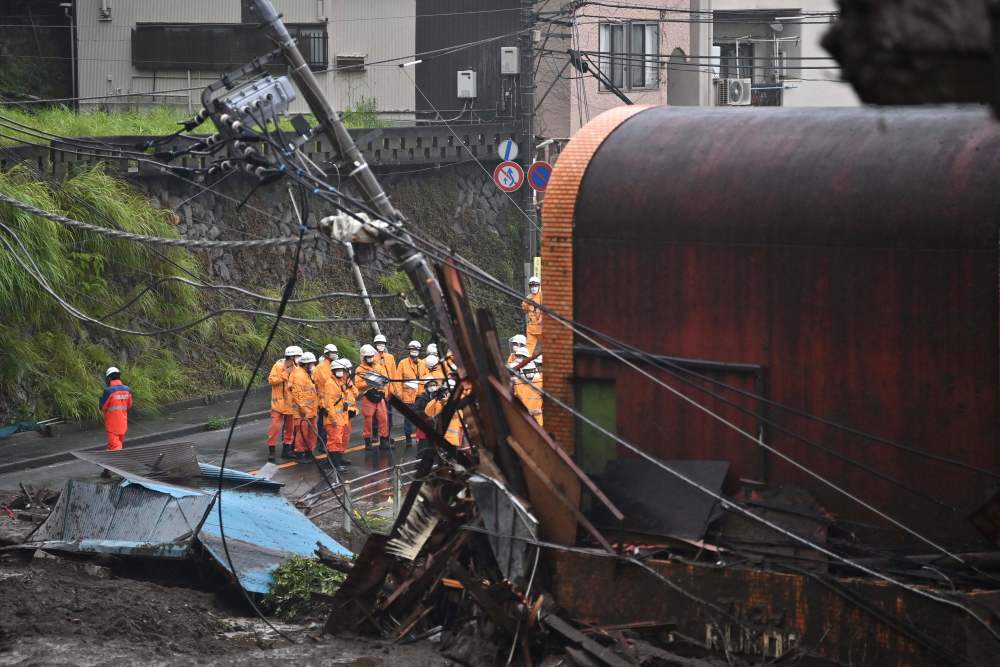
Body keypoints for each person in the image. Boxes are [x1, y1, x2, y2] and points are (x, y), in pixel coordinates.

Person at [266, 346, 300, 462]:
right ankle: (271, 452)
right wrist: (285, 373)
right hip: (278, 405)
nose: (298, 359)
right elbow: (271, 380)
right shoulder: (278, 366)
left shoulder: (297, 369)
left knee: (290, 428)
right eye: (297, 356)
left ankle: (286, 450)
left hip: (291, 405)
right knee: (274, 428)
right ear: (291, 357)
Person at [356, 343, 390, 450]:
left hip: (379, 396)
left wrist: (383, 391)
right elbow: (358, 384)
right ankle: (368, 441)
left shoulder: (378, 366)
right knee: (368, 419)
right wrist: (369, 383)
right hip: (368, 396)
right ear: (363, 357)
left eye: (371, 356)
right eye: (368, 357)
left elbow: (385, 380)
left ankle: (384, 440)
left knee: (383, 418)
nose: (370, 359)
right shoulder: (360, 369)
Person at [322, 359, 351, 472]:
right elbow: (329, 404)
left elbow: (345, 399)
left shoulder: (340, 383)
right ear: (333, 371)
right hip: (334, 420)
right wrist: (333, 418)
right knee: (335, 441)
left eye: (341, 370)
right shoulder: (330, 383)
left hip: (341, 418)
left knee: (339, 440)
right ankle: (335, 465)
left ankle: (336, 461)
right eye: (337, 370)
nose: (340, 372)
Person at [289, 351, 319, 459]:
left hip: (311, 410)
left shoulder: (307, 374)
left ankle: (309, 451)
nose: (312, 365)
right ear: (305, 364)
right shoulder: (298, 375)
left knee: (312, 432)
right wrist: (302, 409)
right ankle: (299, 452)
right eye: (311, 363)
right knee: (302, 433)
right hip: (302, 412)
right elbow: (297, 394)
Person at [396, 340, 427, 446]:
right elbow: (397, 380)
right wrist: (400, 394)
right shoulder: (402, 363)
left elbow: (427, 379)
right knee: (408, 418)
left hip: (421, 395)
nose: (414, 351)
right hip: (407, 395)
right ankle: (408, 437)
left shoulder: (423, 364)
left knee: (421, 417)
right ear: (409, 350)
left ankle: (421, 437)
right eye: (412, 349)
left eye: (416, 349)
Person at [312, 344, 339, 454]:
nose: (335, 355)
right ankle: (322, 443)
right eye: (333, 353)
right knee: (323, 424)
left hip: (335, 399)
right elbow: (326, 381)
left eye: (336, 353)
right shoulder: (321, 367)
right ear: (327, 354)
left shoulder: (335, 365)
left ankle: (329, 443)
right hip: (324, 400)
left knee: (331, 423)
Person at [425, 378, 464, 448]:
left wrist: (459, 444)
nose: (448, 394)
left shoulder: (457, 406)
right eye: (446, 392)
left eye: (450, 391)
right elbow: (428, 412)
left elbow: (461, 429)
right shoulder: (437, 403)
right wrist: (436, 399)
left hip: (452, 442)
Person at [100, 366, 132, 452]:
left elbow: (102, 407)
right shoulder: (127, 390)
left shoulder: (108, 391)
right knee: (113, 447)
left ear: (109, 378)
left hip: (112, 426)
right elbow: (129, 405)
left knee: (116, 449)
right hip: (123, 425)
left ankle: (119, 464)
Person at [373, 334, 398, 435]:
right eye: (378, 343)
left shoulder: (390, 357)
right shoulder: (371, 357)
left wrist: (393, 390)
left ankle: (388, 434)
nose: (380, 345)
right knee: (375, 413)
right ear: (375, 344)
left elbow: (393, 374)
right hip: (376, 390)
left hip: (388, 391)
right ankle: (375, 433)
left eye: (382, 343)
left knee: (388, 414)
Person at [413, 375, 439, 453]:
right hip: (424, 429)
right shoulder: (421, 399)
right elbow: (416, 412)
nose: (433, 387)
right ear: (426, 387)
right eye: (431, 385)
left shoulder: (437, 397)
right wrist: (427, 415)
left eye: (434, 385)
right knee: (423, 451)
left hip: (435, 428)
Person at [514, 361, 543, 426]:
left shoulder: (540, 382)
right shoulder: (517, 383)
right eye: (527, 371)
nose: (529, 372)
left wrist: (540, 410)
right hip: (524, 419)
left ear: (534, 370)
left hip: (538, 420)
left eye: (530, 370)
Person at [523, 275, 543, 354]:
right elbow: (524, 309)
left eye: (535, 285)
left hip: (541, 329)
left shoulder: (542, 297)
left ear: (538, 286)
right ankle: (527, 363)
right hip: (531, 329)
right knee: (529, 349)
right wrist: (526, 304)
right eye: (532, 286)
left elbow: (546, 311)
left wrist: (541, 319)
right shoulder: (528, 298)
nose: (533, 288)